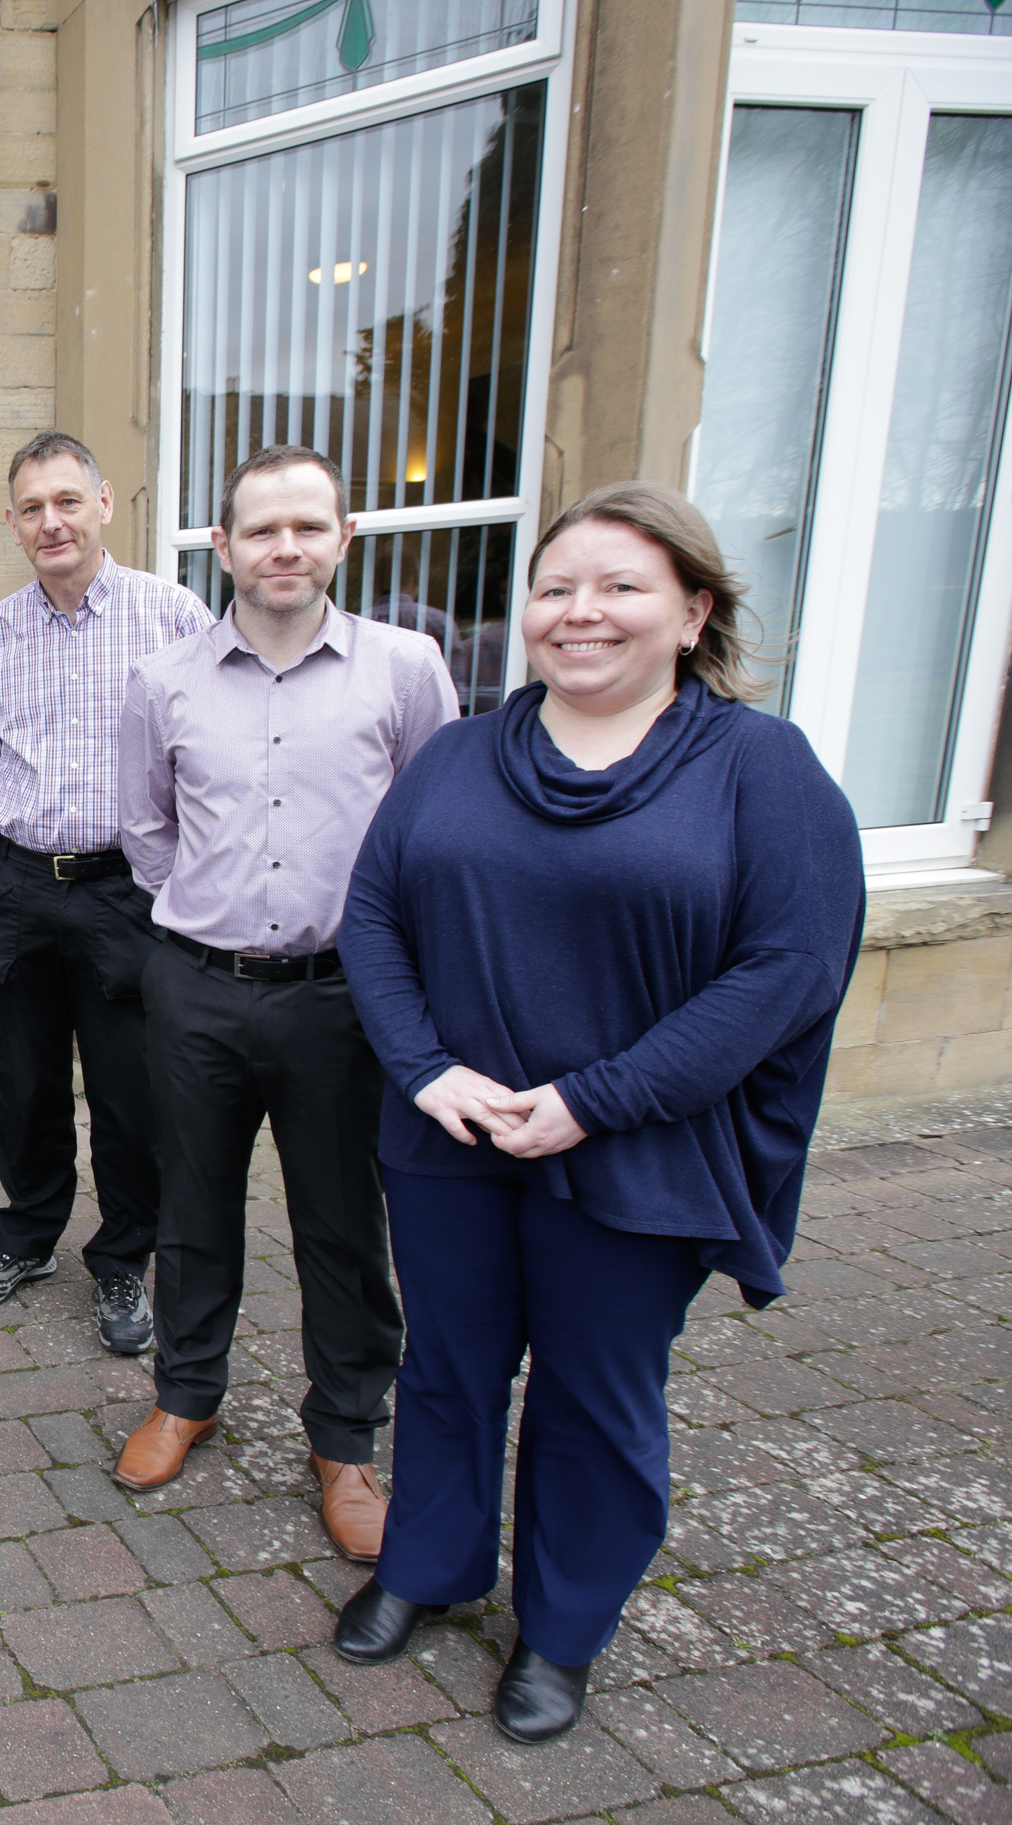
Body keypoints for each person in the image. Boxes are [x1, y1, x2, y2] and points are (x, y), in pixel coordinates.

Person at [334, 482, 864, 1744]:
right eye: (554, 587)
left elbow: (785, 970)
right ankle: (428, 1565)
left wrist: (595, 1099)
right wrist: (423, 1069)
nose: (579, 613)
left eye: (619, 586)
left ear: (690, 611)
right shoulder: (460, 752)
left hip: (637, 1150)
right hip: (451, 1141)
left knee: (593, 1393)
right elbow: (371, 916)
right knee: (449, 1368)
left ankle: (561, 1629)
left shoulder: (759, 769)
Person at [113, 447, 458, 1567]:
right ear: (220, 547)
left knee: (342, 1224)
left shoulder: (404, 671)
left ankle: (345, 1438)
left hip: (340, 1000)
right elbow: (145, 827)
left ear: (341, 540)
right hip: (197, 988)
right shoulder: (164, 680)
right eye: (260, 530)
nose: (284, 548)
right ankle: (187, 1393)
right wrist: (196, 917)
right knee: (191, 1204)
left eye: (307, 526)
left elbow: (431, 831)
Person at [0, 431, 213, 1351]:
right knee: (23, 1087)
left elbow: (205, 755)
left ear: (105, 503)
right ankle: (26, 1239)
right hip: (20, 885)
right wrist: (36, 832)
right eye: (32, 507)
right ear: (14, 523)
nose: (51, 521)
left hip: (126, 893)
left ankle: (121, 1262)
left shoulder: (172, 615)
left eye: (67, 500)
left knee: (128, 1095)